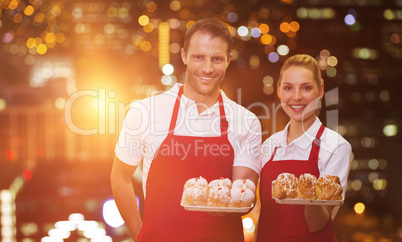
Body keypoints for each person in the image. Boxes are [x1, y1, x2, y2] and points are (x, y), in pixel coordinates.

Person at [111, 18, 261, 242]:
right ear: (184, 56)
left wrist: (228, 205)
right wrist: (140, 236)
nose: (207, 68)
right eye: (198, 57)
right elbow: (119, 177)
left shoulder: (246, 121)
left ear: (229, 60)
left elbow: (243, 196)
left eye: (217, 59)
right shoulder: (145, 111)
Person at [256, 54, 352, 241]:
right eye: (288, 88)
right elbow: (264, 215)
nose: (297, 97)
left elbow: (316, 224)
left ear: (321, 90)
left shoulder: (336, 147)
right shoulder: (270, 145)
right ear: (279, 91)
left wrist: (308, 194)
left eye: (306, 88)